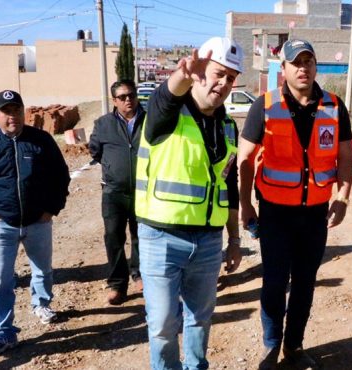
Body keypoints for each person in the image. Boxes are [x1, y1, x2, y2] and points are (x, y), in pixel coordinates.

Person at [238, 39, 352, 370]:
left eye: (309, 61)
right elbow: (245, 158)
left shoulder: (334, 106)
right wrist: (246, 205)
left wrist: (343, 196)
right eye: (296, 62)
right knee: (274, 282)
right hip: (275, 212)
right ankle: (271, 344)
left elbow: (345, 156)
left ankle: (295, 345)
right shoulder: (265, 105)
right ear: (284, 69)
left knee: (304, 283)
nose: (303, 67)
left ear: (316, 67)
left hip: (314, 213)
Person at [134, 36, 243, 370]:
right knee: (164, 325)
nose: (223, 83)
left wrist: (235, 239)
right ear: (200, 72)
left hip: (208, 241)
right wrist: (181, 74)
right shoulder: (166, 114)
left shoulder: (227, 126)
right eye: (218, 73)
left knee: (200, 320)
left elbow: (230, 185)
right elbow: (165, 96)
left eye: (231, 78)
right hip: (161, 237)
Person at [0, 90, 70, 355]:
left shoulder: (41, 140)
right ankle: (4, 331)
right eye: (7, 112)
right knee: (0, 278)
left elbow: (60, 176)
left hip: (38, 222)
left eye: (17, 111)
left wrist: (51, 209)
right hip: (0, 224)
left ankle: (41, 303)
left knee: (42, 269)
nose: (13, 117)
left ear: (24, 112)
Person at [89, 79, 145, 305]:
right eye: (122, 97)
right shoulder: (103, 124)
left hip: (144, 190)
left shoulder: (149, 120)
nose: (128, 100)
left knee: (141, 236)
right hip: (114, 192)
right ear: (114, 101)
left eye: (131, 95)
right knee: (113, 237)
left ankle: (139, 274)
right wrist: (114, 169)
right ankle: (117, 284)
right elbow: (95, 150)